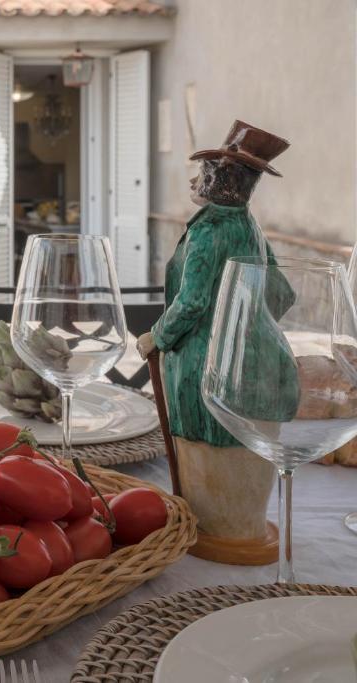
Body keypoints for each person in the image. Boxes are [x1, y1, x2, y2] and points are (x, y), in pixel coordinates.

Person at [136, 121, 296, 554]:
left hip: (206, 367)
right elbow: (282, 291)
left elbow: (191, 304)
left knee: (209, 441)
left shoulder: (209, 230)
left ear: (221, 182)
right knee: (248, 447)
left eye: (204, 171)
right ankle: (244, 530)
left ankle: (217, 534)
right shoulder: (249, 226)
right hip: (260, 367)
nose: (195, 179)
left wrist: (157, 338)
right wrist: (250, 328)